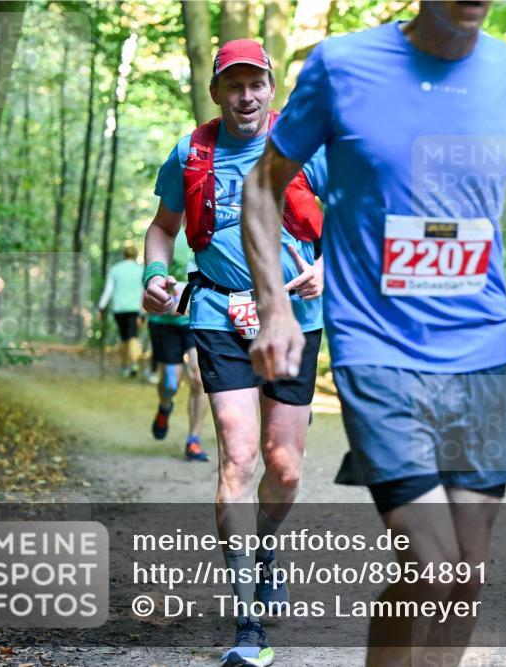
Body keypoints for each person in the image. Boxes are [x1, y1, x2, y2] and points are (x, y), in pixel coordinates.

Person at [241, 2, 506, 664]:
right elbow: (263, 185)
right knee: (432, 557)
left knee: (466, 571)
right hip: (376, 347)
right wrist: (274, 304)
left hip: (480, 352)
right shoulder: (341, 66)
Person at [141, 39, 326, 667]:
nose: (246, 96)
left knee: (286, 469)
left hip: (297, 319)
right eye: (234, 85)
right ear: (217, 91)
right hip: (219, 314)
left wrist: (329, 267)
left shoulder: (308, 146)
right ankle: (249, 620)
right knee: (238, 458)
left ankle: (263, 546)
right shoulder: (190, 154)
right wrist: (153, 275)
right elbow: (163, 228)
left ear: (271, 88)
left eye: (256, 84)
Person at [148, 276, 209, 462]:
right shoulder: (163, 247)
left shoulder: (207, 247)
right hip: (165, 323)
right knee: (170, 385)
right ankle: (165, 406)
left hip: (197, 320)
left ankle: (193, 440)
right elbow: (149, 280)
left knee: (199, 378)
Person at [98, 244, 144, 377]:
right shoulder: (140, 270)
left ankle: (124, 365)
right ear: (135, 255)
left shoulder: (115, 270)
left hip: (119, 309)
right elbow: (143, 291)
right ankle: (134, 364)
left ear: (124, 255)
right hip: (135, 309)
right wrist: (143, 311)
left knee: (124, 337)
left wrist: (101, 307)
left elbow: (108, 290)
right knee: (133, 336)